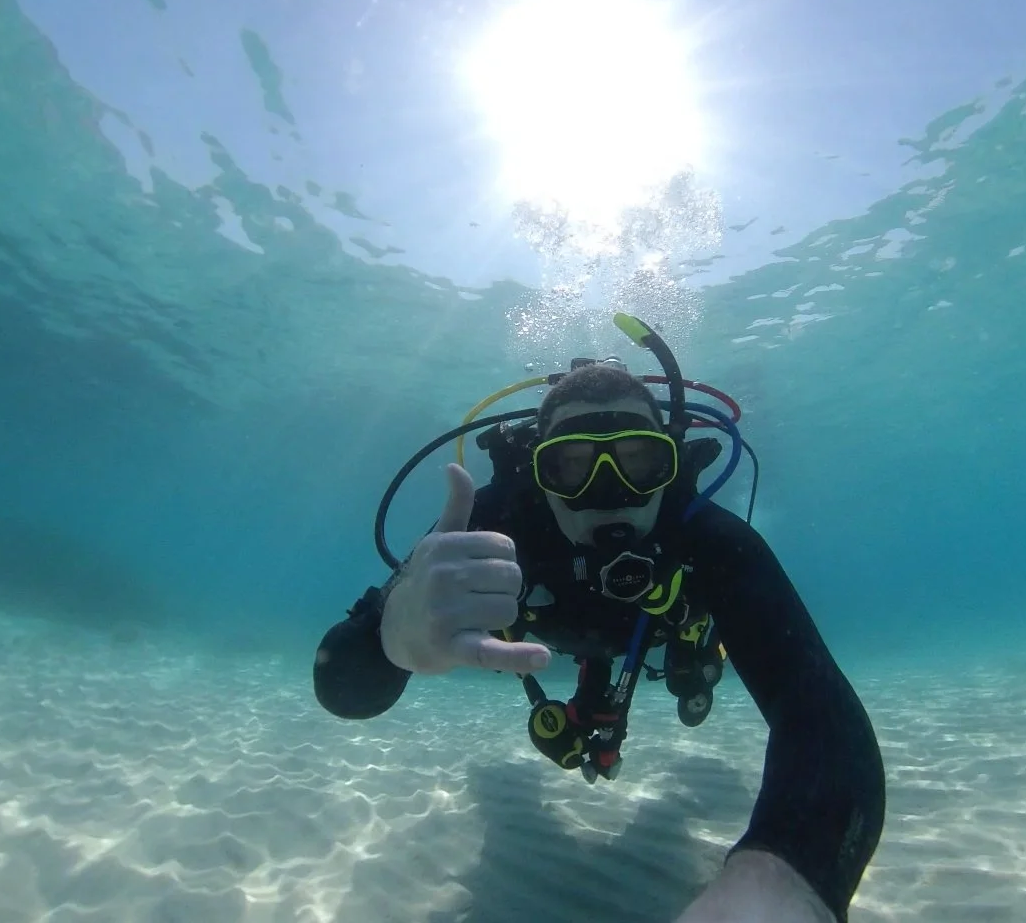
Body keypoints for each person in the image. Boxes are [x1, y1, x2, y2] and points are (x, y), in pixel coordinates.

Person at [314, 317, 884, 923]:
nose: (611, 493)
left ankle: (690, 658)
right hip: (566, 626)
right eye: (572, 466)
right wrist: (387, 635)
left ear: (671, 463)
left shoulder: (710, 539)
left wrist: (782, 880)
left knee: (695, 666)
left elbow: (821, 717)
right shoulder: (491, 523)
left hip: (659, 621)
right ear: (537, 469)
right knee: (517, 805)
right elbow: (343, 689)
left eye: (639, 462)